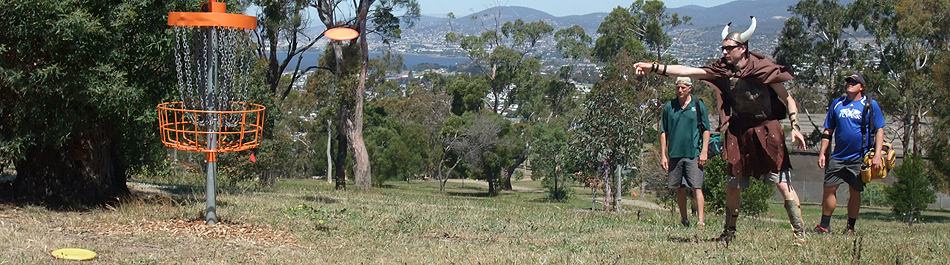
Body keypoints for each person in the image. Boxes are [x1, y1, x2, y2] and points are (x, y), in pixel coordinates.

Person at [633, 16, 808, 245]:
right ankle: (729, 232)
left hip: (767, 129)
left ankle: (799, 232)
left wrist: (795, 127)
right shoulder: (722, 70)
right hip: (738, 131)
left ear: (742, 49)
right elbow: (688, 70)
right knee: (733, 183)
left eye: (729, 48)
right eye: (723, 48)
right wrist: (654, 67)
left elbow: (788, 99)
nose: (724, 52)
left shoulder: (764, 69)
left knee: (782, 182)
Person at [815, 73, 885, 235]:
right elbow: (828, 130)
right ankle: (824, 226)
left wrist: (877, 155)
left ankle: (850, 228)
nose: (850, 84)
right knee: (829, 188)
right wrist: (822, 153)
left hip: (859, 157)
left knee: (855, 191)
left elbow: (879, 130)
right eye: (848, 81)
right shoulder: (837, 104)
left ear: (862, 87)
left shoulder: (870, 105)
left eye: (854, 82)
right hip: (838, 156)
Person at [660, 77, 710, 228]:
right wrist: (663, 154)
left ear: (690, 88)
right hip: (675, 154)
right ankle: (684, 220)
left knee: (696, 187)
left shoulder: (698, 105)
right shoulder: (670, 107)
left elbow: (706, 129)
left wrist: (704, 151)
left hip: (693, 153)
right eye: (677, 87)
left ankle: (701, 221)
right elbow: (664, 132)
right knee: (679, 188)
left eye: (683, 87)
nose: (680, 90)